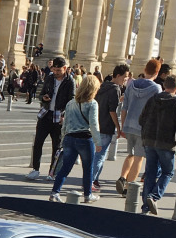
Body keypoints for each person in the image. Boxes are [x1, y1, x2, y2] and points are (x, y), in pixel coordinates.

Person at [137, 73, 176, 215]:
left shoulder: (153, 99)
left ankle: (145, 206)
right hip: (166, 142)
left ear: (165, 86)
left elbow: (142, 119)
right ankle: (154, 196)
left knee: (150, 172)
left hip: (149, 140)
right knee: (167, 172)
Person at [50, 73, 102, 203]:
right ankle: (87, 195)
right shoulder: (92, 103)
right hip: (85, 138)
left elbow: (65, 123)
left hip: (69, 137)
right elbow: (94, 123)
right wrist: (98, 141)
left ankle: (55, 192)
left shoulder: (71, 103)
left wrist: (63, 138)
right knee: (88, 168)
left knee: (65, 167)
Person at [116, 58, 162, 193]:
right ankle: (129, 186)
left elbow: (124, 107)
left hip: (129, 124)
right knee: (139, 158)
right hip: (144, 128)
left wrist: (123, 125)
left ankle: (123, 177)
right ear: (157, 72)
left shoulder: (132, 84)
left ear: (144, 70)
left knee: (130, 154)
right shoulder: (156, 88)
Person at [26, 56, 73, 179]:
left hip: (59, 117)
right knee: (38, 143)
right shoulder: (50, 78)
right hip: (46, 113)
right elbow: (41, 94)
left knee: (56, 146)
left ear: (65, 68)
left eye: (59, 70)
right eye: (54, 70)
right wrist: (44, 98)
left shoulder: (70, 81)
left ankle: (52, 172)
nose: (56, 73)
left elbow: (71, 100)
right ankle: (35, 169)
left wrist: (65, 116)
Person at [94, 63, 129, 193]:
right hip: (106, 126)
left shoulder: (103, 86)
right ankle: (91, 181)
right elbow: (112, 110)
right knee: (100, 156)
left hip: (96, 124)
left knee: (96, 155)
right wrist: (118, 127)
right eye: (125, 77)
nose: (126, 79)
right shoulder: (115, 89)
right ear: (118, 75)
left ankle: (94, 179)